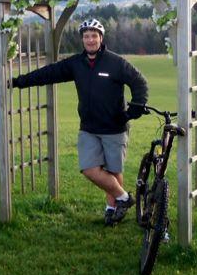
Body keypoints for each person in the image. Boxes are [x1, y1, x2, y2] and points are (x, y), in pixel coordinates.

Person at [11, 18, 149, 226]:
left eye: (94, 35)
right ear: (82, 39)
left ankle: (112, 211)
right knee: (89, 169)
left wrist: (135, 108)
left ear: (101, 38)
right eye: (86, 36)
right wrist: (19, 81)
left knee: (113, 170)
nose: (90, 40)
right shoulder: (76, 64)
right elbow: (49, 73)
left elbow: (139, 81)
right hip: (89, 128)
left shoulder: (115, 62)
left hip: (114, 127)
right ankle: (124, 198)